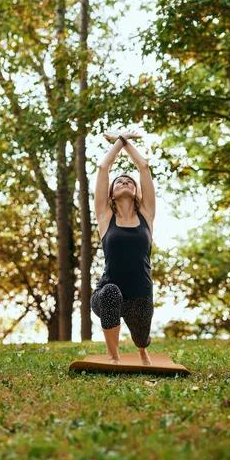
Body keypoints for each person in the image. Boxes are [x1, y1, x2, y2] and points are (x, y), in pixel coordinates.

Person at [91, 129, 156, 365]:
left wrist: (128, 144)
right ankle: (114, 357)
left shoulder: (146, 216)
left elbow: (144, 168)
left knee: (141, 337)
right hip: (106, 293)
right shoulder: (105, 217)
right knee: (110, 293)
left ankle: (141, 350)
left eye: (129, 181)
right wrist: (119, 141)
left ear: (136, 191)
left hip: (140, 294)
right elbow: (103, 169)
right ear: (111, 194)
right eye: (119, 181)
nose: (125, 182)